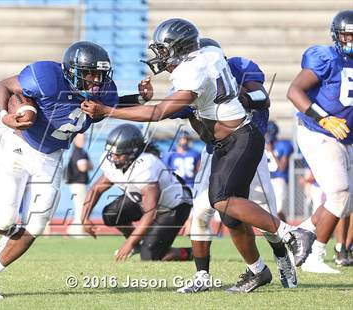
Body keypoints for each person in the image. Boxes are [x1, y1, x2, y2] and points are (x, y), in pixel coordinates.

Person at [81, 18, 315, 289]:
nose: (161, 57)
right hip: (223, 145)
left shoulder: (195, 71)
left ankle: (292, 235)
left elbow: (157, 113)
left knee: (227, 201)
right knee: (224, 212)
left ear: (181, 49)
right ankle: (253, 271)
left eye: (165, 50)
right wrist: (140, 98)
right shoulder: (209, 55)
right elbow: (160, 106)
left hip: (244, 138)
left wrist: (107, 111)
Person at [0, 41, 124, 300]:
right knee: (5, 220)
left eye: (100, 74)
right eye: (89, 74)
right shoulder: (46, 77)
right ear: (72, 71)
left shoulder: (103, 93)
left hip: (51, 156)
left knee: (38, 223)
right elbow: (4, 86)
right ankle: (6, 235)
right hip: (18, 144)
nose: (96, 81)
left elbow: (115, 106)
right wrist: (5, 114)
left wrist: (140, 98)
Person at [177, 38, 296, 293]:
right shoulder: (193, 80)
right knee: (200, 211)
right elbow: (170, 111)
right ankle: (202, 276)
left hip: (248, 147)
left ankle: (282, 256)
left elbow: (262, 98)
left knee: (265, 216)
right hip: (217, 152)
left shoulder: (238, 67)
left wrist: (234, 97)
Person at [287, 10, 353, 274]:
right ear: (337, 35)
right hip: (319, 131)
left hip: (346, 137)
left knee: (345, 201)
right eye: (347, 34)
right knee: (338, 193)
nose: (351, 40)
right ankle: (315, 255)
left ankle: (298, 233)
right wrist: (324, 119)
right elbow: (294, 91)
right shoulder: (326, 58)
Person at [81, 124, 193, 261]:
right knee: (111, 214)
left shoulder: (146, 165)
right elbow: (96, 189)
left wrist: (129, 244)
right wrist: (84, 217)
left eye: (118, 154)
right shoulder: (114, 162)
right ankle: (139, 244)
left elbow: (150, 213)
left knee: (149, 256)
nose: (113, 158)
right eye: (112, 153)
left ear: (133, 152)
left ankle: (190, 253)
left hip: (173, 206)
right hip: (144, 201)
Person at [265, 121, 294, 221]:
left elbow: (282, 167)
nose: (267, 135)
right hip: (266, 180)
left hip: (279, 179)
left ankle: (285, 231)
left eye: (268, 132)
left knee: (278, 210)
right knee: (267, 211)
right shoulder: (261, 145)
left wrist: (272, 152)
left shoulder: (284, 145)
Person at [65, 133, 93, 237]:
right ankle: (76, 231)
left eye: (84, 139)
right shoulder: (78, 152)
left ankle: (73, 229)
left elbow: (91, 166)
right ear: (75, 140)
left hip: (80, 183)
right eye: (80, 139)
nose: (83, 141)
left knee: (81, 207)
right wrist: (87, 165)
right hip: (77, 184)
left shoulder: (81, 152)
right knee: (81, 208)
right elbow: (83, 167)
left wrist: (87, 165)